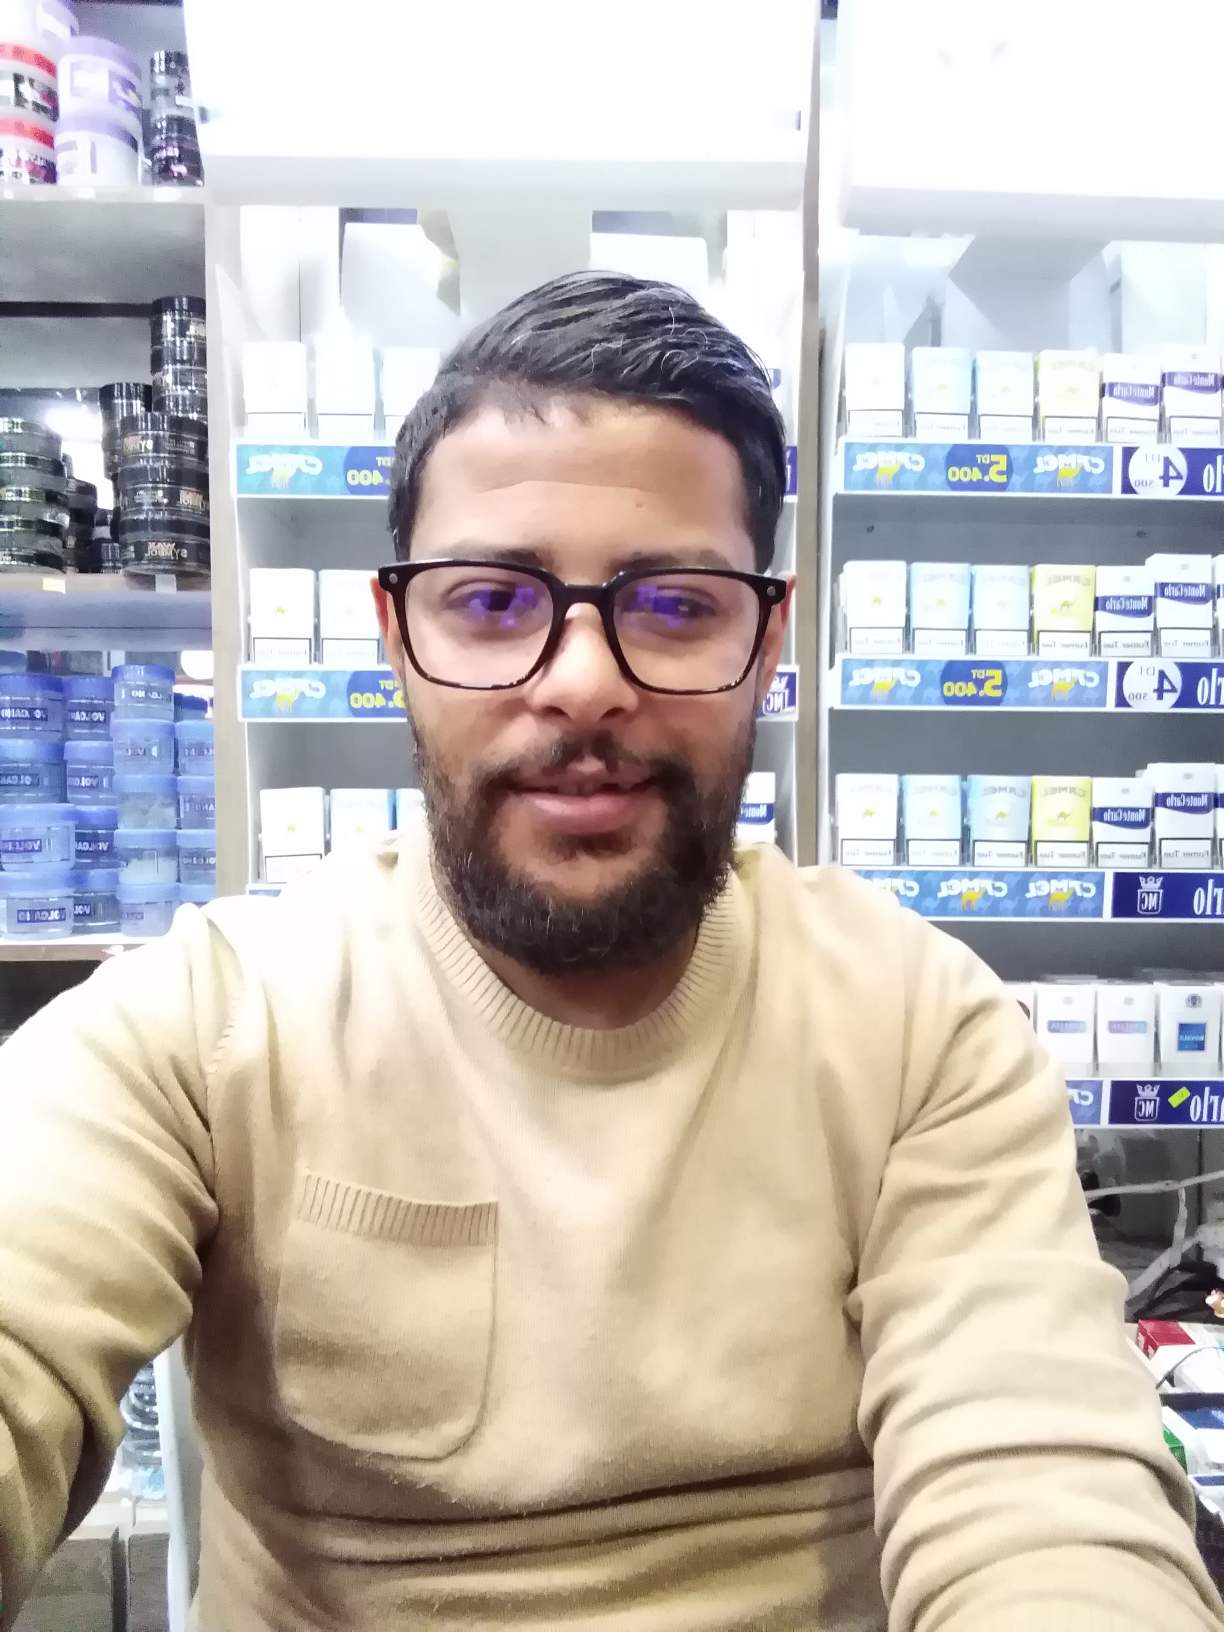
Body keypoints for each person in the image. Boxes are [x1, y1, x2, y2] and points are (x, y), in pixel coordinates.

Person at [0, 273, 1218, 1632]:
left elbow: (1043, 1489)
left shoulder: (920, 1029)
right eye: (491, 602)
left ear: (768, 641)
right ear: (395, 640)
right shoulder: (208, 1026)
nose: (583, 682)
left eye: (678, 606)